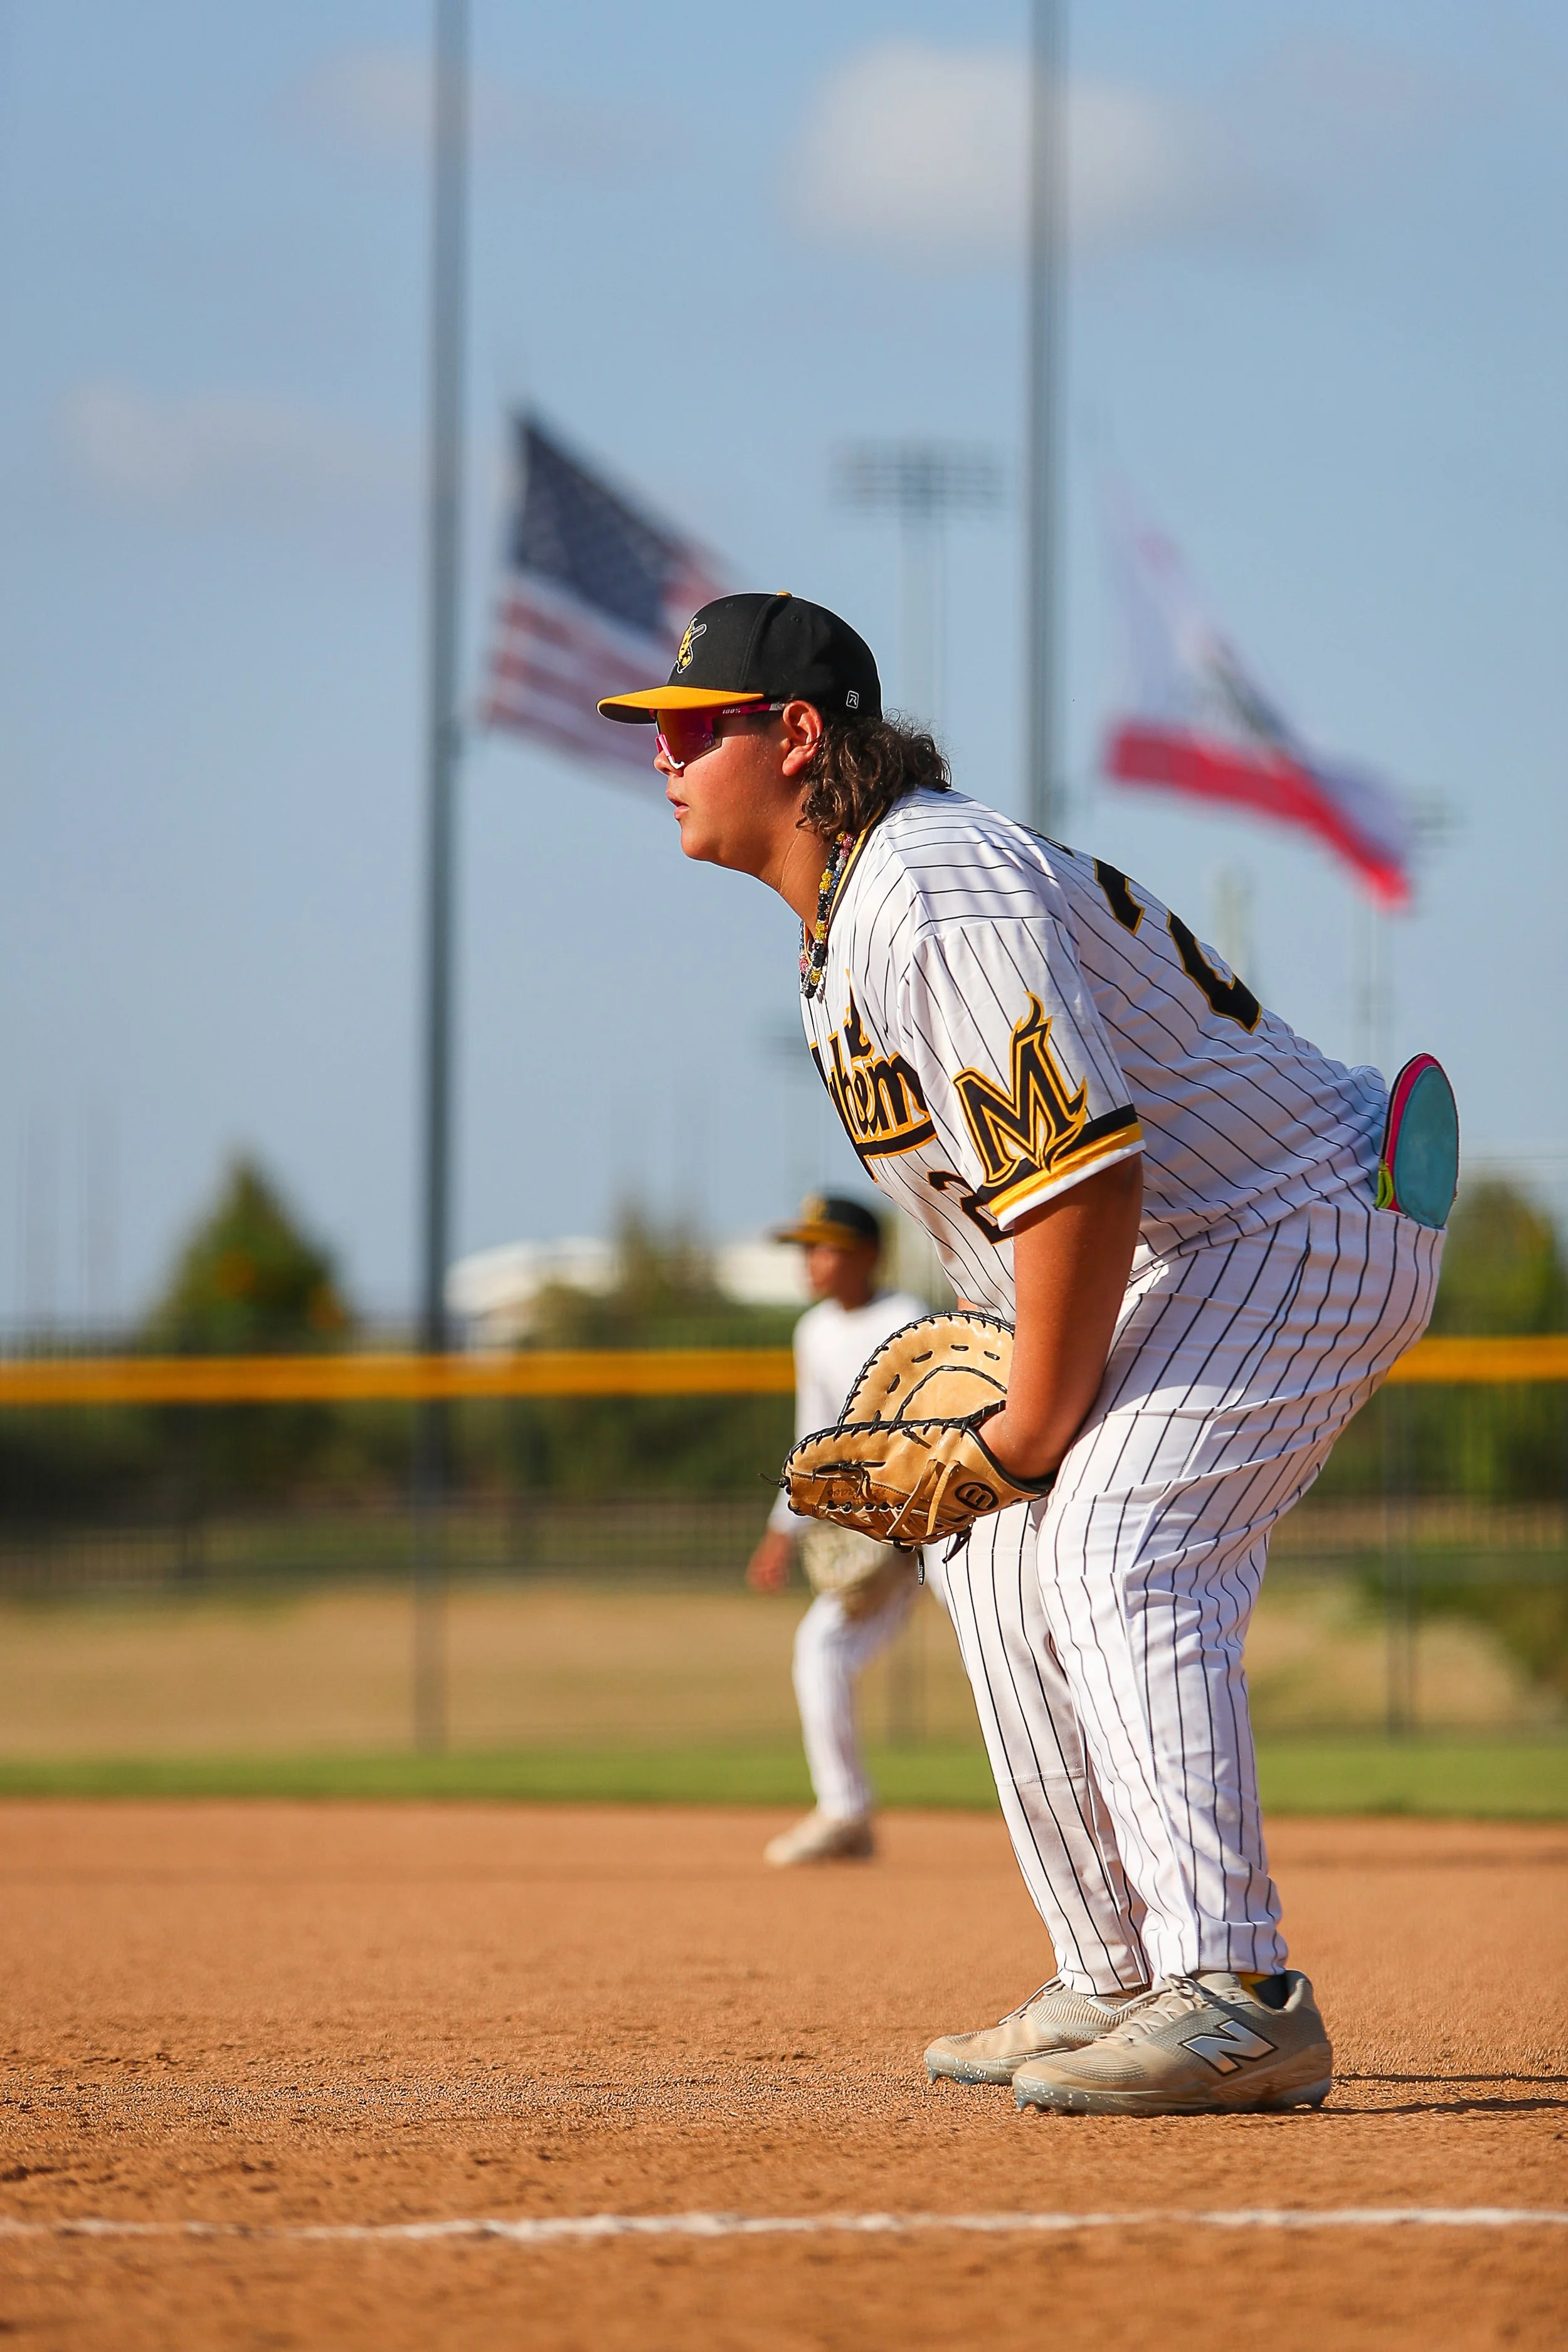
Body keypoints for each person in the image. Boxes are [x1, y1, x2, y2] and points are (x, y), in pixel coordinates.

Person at [598, 591, 1443, 2117]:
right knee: (984, 1553)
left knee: (1118, 1536)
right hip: (1183, 1248)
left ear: (797, 738)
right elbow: (1019, 1203)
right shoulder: (845, 920)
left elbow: (1087, 1171)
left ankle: (1238, 1992)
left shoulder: (930, 883)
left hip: (1302, 1211)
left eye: (692, 725)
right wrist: (1005, 1429)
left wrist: (1033, 1424)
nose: (661, 754)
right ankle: (1116, 1970)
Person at [746, 1193, 926, 1868]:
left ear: (870, 1254)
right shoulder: (813, 1331)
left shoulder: (907, 1320)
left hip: (949, 1518)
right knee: (821, 1647)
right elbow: (814, 1440)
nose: (811, 1261)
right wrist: (780, 1533)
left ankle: (1106, 1809)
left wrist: (913, 1520)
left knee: (1018, 1652)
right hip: (872, 1527)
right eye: (806, 1248)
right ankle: (845, 1812)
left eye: (825, 1247)